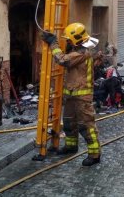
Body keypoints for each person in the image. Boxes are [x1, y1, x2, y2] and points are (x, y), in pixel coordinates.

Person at [41, 23, 101, 166]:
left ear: (76, 38)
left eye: (69, 39)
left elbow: (62, 60)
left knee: (86, 126)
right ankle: (71, 146)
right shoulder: (78, 49)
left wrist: (53, 44)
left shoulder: (83, 52)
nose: (67, 41)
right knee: (69, 122)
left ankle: (94, 154)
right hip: (71, 94)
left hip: (82, 96)